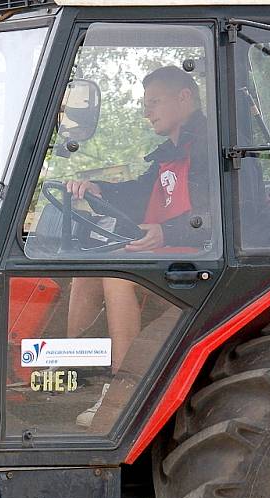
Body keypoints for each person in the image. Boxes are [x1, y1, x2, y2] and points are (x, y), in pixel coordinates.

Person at [66, 65, 210, 427]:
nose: (147, 112)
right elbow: (141, 191)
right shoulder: (170, 153)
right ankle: (69, 372)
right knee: (86, 271)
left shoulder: (215, 148)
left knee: (117, 275)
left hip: (200, 263)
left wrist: (168, 233)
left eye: (154, 102)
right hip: (167, 255)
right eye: (146, 104)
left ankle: (122, 391)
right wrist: (100, 189)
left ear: (184, 98)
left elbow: (223, 212)